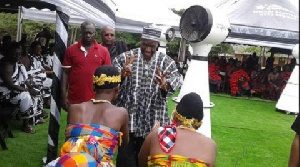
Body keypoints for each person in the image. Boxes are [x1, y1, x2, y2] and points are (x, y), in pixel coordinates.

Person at [112, 24, 182, 166]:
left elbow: (174, 82)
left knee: (149, 161)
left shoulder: (167, 63)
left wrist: (164, 86)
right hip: (129, 122)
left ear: (157, 44)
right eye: (145, 44)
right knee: (126, 161)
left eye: (152, 46)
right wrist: (121, 76)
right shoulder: (125, 58)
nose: (148, 49)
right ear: (141, 40)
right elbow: (111, 85)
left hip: (153, 122)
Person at [55, 65, 129, 167]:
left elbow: (69, 141)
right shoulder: (121, 113)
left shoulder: (74, 109)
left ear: (93, 86)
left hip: (71, 163)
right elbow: (125, 143)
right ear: (117, 89)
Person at [138, 92, 216, 167]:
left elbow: (141, 162)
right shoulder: (211, 146)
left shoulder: (157, 134)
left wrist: (154, 134)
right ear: (198, 124)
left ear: (175, 116)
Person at [61, 21, 111, 111]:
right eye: (85, 33)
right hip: (74, 100)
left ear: (94, 33)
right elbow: (65, 73)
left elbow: (107, 77)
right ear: (81, 32)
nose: (88, 35)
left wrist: (106, 99)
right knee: (74, 125)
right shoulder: (71, 50)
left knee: (93, 125)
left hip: (96, 100)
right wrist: (63, 97)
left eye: (90, 33)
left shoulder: (103, 51)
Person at [0, 42, 37, 134]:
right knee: (25, 96)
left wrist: (29, 87)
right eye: (15, 53)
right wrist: (28, 90)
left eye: (19, 54)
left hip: (9, 90)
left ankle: (35, 116)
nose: (17, 56)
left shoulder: (14, 62)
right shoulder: (6, 65)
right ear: (9, 53)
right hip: (3, 94)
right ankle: (25, 125)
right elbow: (10, 86)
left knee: (34, 90)